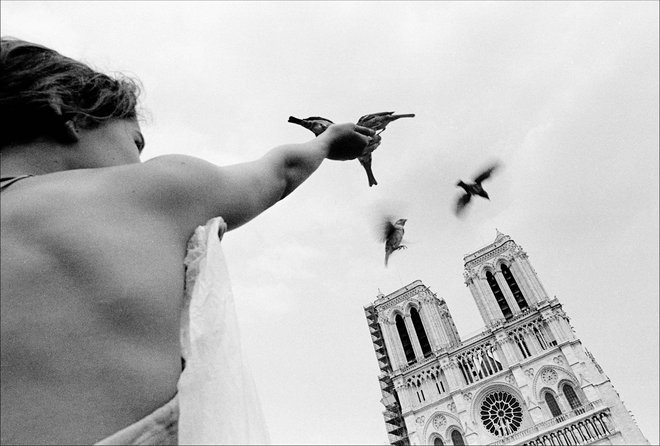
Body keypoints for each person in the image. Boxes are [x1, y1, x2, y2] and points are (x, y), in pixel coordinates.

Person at [0, 37, 375, 445]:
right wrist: (325, 141)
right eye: (135, 142)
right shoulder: (151, 192)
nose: (138, 161)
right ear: (68, 113)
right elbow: (281, 171)